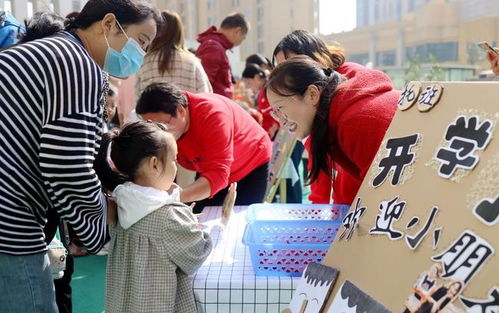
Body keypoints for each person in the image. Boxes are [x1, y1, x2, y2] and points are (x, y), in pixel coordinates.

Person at [0, 1, 159, 312]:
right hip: (10, 224)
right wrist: (102, 224)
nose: (140, 55)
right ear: (110, 24)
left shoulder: (44, 52)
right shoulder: (78, 65)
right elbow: (66, 165)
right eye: (141, 42)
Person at [94, 121, 212, 313]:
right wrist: (189, 221)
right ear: (155, 164)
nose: (176, 166)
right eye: (174, 159)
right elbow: (196, 255)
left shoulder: (119, 201)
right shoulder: (169, 217)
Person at [271, 30, 399, 205]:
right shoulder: (323, 105)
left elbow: (383, 193)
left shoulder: (352, 116)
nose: (284, 76)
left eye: (294, 65)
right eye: (279, 69)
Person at [136, 82, 272, 213]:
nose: (160, 132)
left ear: (181, 111)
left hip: (251, 162)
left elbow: (218, 174)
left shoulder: (212, 115)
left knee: (241, 221)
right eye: (152, 127)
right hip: (211, 167)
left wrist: (175, 197)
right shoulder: (169, 125)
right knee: (198, 217)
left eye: (164, 124)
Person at [136, 10, 212, 95]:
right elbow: (205, 96)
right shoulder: (192, 62)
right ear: (179, 32)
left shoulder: (143, 62)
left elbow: (137, 96)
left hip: (150, 107)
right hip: (186, 107)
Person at [196, 12, 249, 98]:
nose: (240, 43)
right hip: (214, 106)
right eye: (242, 38)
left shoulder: (217, 47)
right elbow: (203, 84)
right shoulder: (213, 47)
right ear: (237, 31)